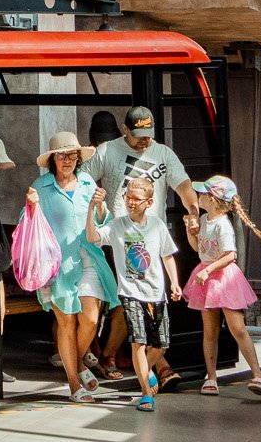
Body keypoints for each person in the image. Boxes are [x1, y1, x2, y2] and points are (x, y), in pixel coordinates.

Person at [85, 105, 199, 386]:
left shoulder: (163, 153)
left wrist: (194, 211)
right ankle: (147, 366)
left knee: (147, 305)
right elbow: (83, 180)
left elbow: (183, 185)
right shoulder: (108, 151)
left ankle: (121, 357)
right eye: (138, 135)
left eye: (148, 134)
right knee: (127, 304)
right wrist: (94, 209)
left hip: (150, 240)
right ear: (125, 130)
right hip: (117, 238)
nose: (144, 140)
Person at [25, 130, 117, 402]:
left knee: (89, 318)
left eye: (72, 155)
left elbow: (103, 222)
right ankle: (74, 382)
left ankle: (76, 362)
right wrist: (30, 207)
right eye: (62, 155)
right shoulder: (39, 186)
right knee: (66, 323)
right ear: (53, 159)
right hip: (56, 265)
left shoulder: (88, 182)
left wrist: (100, 207)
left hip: (89, 259)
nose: (67, 160)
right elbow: (28, 226)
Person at [93, 175, 181, 411]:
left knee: (161, 345)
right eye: (128, 197)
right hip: (130, 292)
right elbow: (93, 237)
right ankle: (146, 393)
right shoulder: (118, 225)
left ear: (149, 202)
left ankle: (147, 373)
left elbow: (167, 255)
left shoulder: (157, 226)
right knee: (138, 343)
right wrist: (92, 209)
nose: (131, 202)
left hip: (156, 294)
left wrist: (174, 283)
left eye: (136, 198)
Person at [181, 174, 261, 397]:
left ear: (213, 199)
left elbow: (230, 255)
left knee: (237, 327)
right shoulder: (203, 221)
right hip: (206, 276)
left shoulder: (223, 225)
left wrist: (209, 270)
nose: (199, 196)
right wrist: (190, 233)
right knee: (209, 331)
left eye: (203, 193)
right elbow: (198, 249)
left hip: (223, 278)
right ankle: (211, 377)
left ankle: (257, 374)